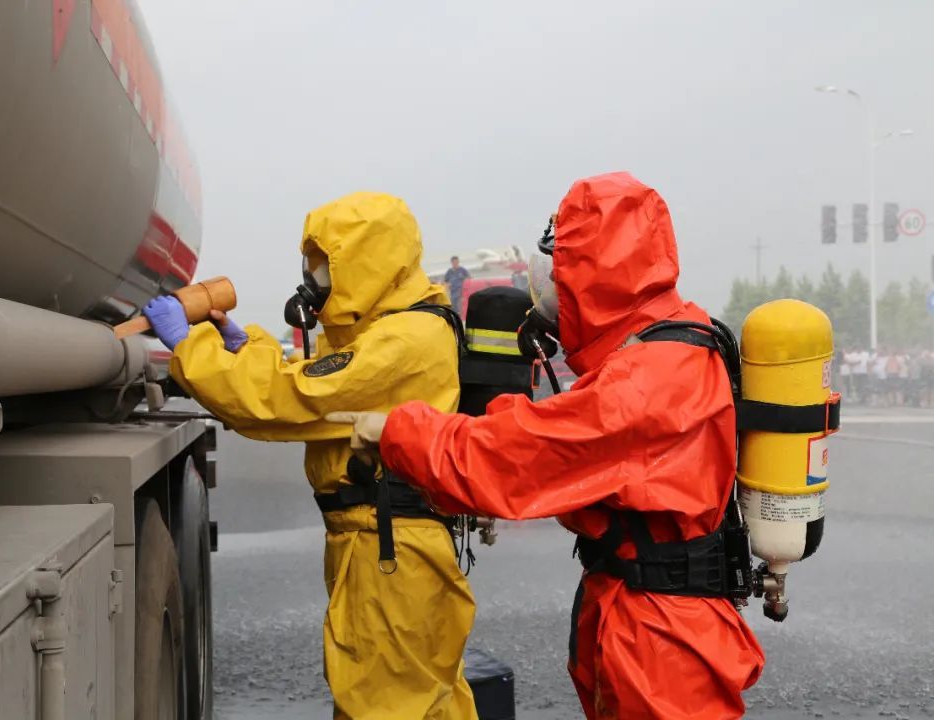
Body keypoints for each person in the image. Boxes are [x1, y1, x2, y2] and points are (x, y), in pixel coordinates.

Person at [330, 172, 765, 719]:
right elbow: (554, 434)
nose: (548, 290)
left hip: (661, 634)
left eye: (560, 269)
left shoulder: (652, 375)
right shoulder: (658, 346)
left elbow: (522, 459)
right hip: (642, 612)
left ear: (594, 276)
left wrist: (396, 431)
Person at [144, 191, 478, 719]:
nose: (315, 282)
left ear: (368, 261)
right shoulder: (399, 329)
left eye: (325, 267)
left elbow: (294, 400)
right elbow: (316, 376)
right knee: (421, 701)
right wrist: (245, 348)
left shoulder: (403, 341)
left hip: (386, 547)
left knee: (385, 704)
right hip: (387, 542)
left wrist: (194, 350)